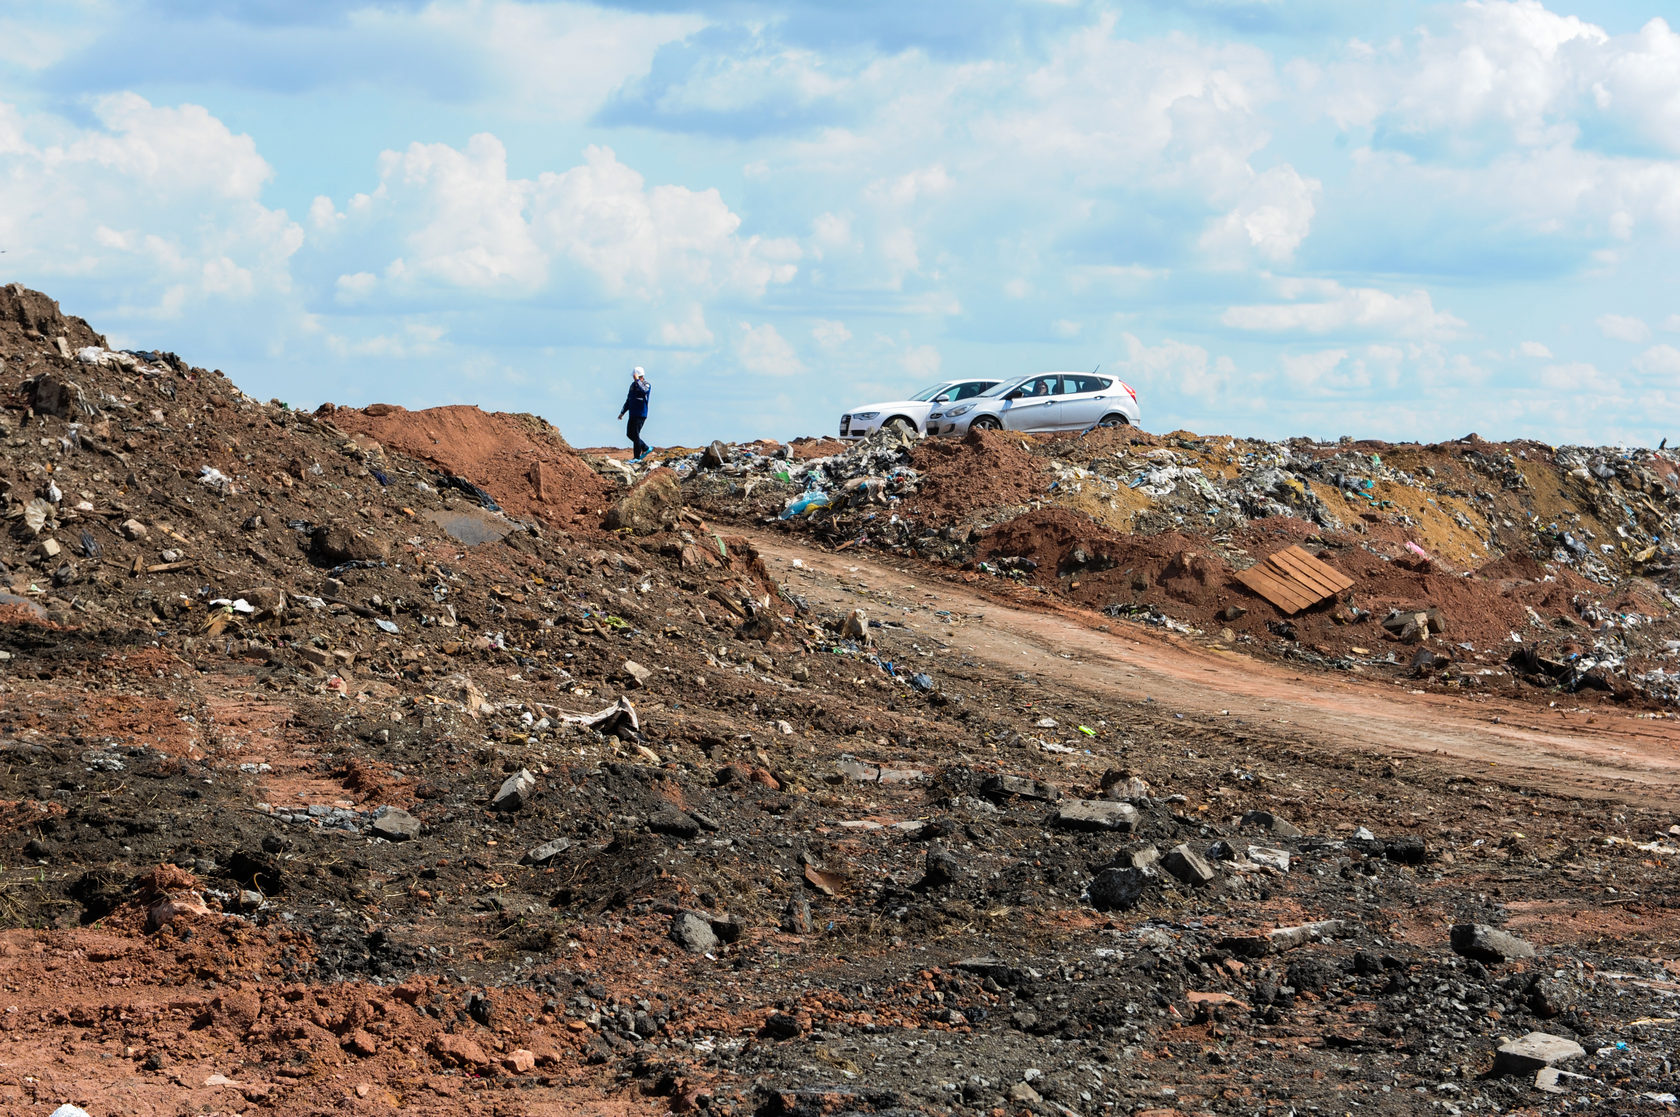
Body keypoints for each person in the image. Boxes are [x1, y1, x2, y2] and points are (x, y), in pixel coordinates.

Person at [617, 366, 651, 459]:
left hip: (640, 414)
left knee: (635, 435)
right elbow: (629, 400)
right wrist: (622, 412)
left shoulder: (646, 384)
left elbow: (644, 390)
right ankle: (645, 447)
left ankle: (637, 457)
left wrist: (637, 381)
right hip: (632, 413)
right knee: (629, 434)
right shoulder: (632, 386)